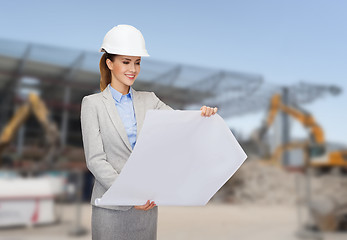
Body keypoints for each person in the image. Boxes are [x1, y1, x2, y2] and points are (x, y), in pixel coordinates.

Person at [80, 24, 218, 240]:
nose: (132, 69)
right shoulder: (92, 104)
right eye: (126, 62)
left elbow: (180, 125)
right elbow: (95, 160)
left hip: (146, 208)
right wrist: (128, 195)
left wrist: (201, 115)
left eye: (137, 63)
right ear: (110, 63)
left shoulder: (150, 100)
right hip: (111, 209)